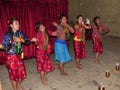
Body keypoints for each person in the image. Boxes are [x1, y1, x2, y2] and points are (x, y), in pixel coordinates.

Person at [0, 17, 30, 90]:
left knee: (22, 73)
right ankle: (15, 88)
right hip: (10, 58)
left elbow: (28, 41)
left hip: (19, 56)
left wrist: (21, 40)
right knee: (14, 75)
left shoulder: (20, 33)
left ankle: (19, 85)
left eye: (18, 23)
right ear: (11, 25)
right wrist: (6, 45)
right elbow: (4, 48)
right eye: (16, 23)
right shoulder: (7, 35)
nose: (18, 25)